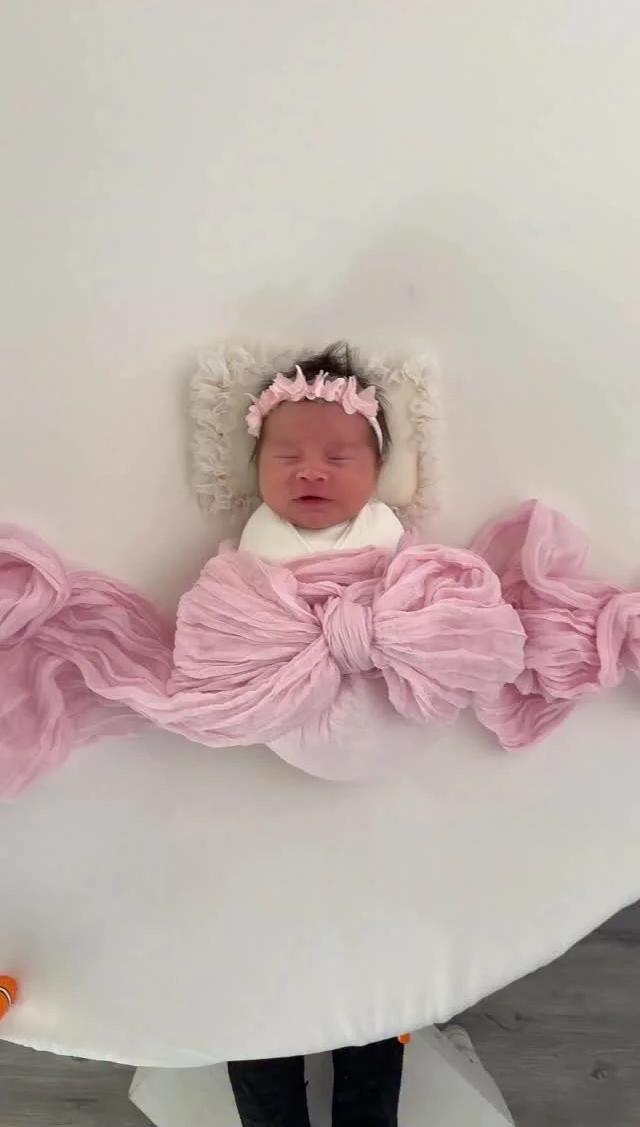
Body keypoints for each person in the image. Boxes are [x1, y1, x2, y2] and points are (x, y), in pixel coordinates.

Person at [228, 343, 406, 1126]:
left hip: (378, 782)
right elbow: (225, 628)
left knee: (373, 977)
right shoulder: (250, 554)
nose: (311, 472)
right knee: (260, 975)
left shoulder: (393, 544)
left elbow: (434, 615)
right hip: (265, 780)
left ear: (378, 470)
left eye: (339, 457)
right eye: (286, 456)